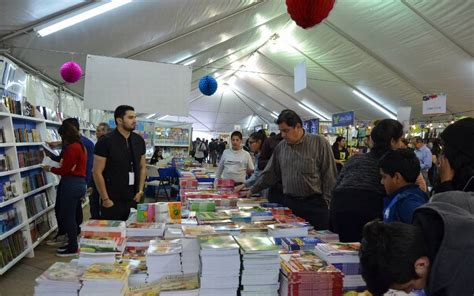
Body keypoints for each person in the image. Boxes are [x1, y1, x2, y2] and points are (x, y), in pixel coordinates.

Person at [359, 191, 474, 296]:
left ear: (421, 264)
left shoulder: (462, 270)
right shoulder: (434, 213)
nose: (408, 291)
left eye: (409, 286)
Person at [246, 110, 337, 229]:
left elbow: (329, 174)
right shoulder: (281, 147)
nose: (282, 135)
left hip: (315, 205)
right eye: (281, 131)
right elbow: (270, 173)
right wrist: (252, 190)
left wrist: (327, 203)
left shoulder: (319, 143)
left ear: (298, 127)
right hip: (290, 205)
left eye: (286, 130)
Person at [330, 119, 403, 242]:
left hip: (340, 210)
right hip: (371, 215)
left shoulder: (354, 159)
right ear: (392, 141)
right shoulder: (391, 164)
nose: (401, 144)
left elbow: (336, 186)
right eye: (400, 140)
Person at [45, 118, 94, 245]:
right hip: (75, 182)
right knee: (68, 212)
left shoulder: (77, 146)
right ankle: (71, 237)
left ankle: (72, 241)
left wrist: (49, 168)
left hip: (73, 182)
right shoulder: (79, 145)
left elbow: (67, 168)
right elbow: (65, 160)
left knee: (70, 214)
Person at [93, 105, 146, 221]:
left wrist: (140, 191)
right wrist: (105, 199)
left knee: (135, 234)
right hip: (113, 200)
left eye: (135, 117)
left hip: (135, 198)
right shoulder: (105, 142)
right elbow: (97, 172)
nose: (134, 121)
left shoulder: (139, 141)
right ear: (119, 120)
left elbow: (143, 167)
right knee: (112, 236)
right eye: (130, 117)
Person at [379, 149, 428, 223]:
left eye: (384, 177)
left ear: (397, 177)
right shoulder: (404, 198)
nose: (382, 182)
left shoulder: (408, 204)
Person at [435, 117, 474, 192]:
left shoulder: (469, 182)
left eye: (444, 147)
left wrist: (445, 183)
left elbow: (448, 203)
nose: (442, 154)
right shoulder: (458, 176)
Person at [89, 122, 110, 220]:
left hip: (102, 178)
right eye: (97, 130)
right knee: (95, 201)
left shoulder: (104, 144)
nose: (98, 133)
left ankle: (97, 220)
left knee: (98, 201)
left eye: (101, 130)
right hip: (97, 177)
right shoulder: (97, 144)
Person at [258, 132, 284, 204]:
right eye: (282, 130)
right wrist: (275, 163)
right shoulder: (271, 142)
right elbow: (260, 164)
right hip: (276, 189)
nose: (284, 135)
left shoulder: (312, 142)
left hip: (303, 196)